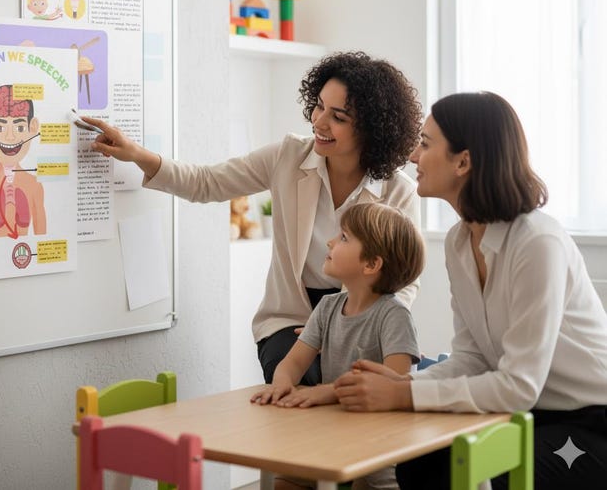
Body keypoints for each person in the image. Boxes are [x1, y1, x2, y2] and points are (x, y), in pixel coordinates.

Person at [82, 51, 423, 385]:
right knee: (299, 390)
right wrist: (137, 154)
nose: (319, 122)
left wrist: (357, 323)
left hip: (362, 317)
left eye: (339, 117)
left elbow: (402, 278)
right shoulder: (288, 156)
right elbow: (207, 182)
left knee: (353, 400)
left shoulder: (397, 191)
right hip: (290, 319)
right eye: (319, 105)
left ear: (372, 130)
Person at [332, 92, 607, 489]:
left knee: (484, 472)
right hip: (530, 413)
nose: (413, 156)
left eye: (425, 144)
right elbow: (472, 358)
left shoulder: (537, 243)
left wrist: (401, 397)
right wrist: (401, 385)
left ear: (464, 161)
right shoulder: (459, 242)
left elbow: (518, 387)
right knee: (419, 464)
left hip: (588, 421)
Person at [250, 202, 423, 490]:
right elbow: (293, 363)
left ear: (371, 264)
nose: (330, 241)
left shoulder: (395, 316)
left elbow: (396, 381)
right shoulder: (328, 307)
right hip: (334, 433)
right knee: (286, 479)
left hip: (379, 447)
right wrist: (281, 383)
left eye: (344, 237)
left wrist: (328, 392)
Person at [0, 84, 46, 240]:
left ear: (33, 127)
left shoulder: (34, 186)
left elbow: (42, 238)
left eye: (19, 128)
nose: (10, 137)